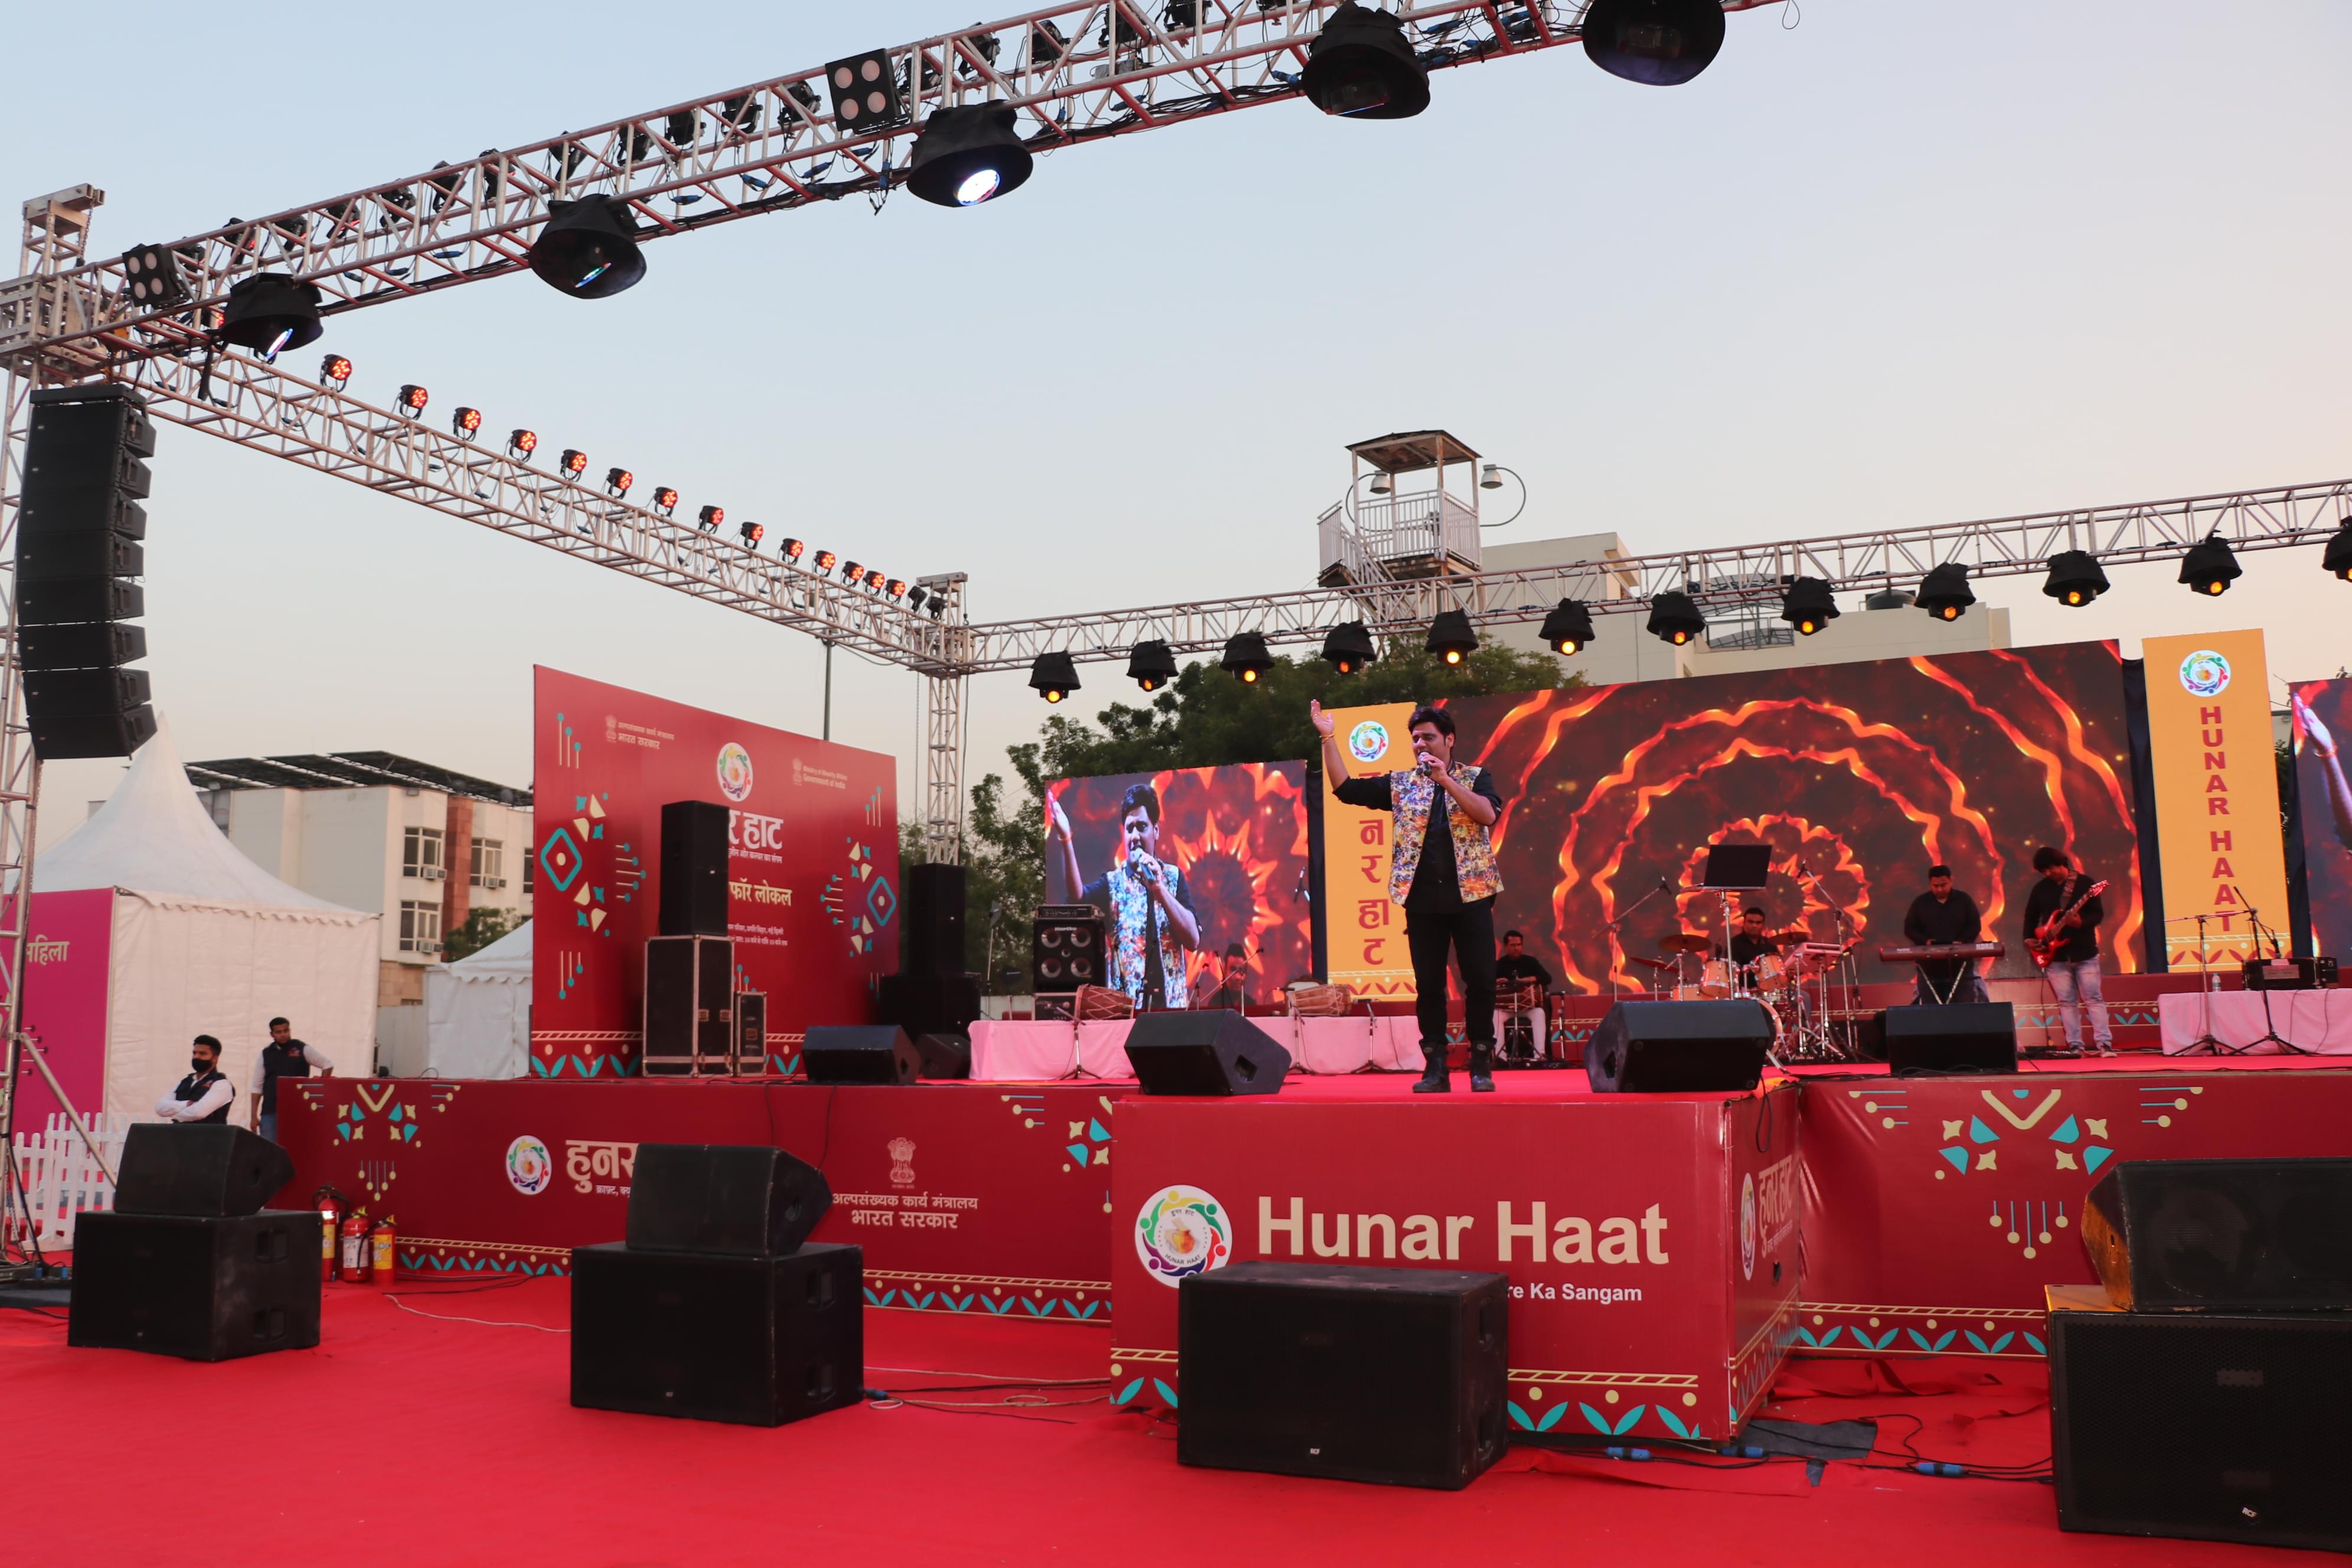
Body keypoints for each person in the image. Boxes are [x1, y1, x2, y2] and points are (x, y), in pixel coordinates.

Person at [1315, 699, 1505, 1093]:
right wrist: (1328, 738)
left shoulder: (1475, 777)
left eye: (1429, 738)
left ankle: (1480, 1063)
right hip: (1422, 901)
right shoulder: (1401, 784)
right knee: (1429, 985)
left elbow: (1487, 815)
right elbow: (1345, 789)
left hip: (1472, 895)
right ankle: (1435, 1066)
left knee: (1481, 982)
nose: (1421, 744)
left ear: (1449, 740)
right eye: (1416, 738)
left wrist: (1446, 781)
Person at [1047, 782, 1201, 1010]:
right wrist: (1066, 838)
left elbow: (1193, 940)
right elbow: (1077, 897)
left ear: (1156, 831)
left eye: (1142, 827)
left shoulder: (1173, 878)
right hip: (1128, 1012)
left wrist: (1160, 889)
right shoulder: (1113, 883)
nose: (1135, 836)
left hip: (1171, 1010)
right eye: (1130, 829)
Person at [2023, 847, 2112, 1055]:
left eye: (2050, 869)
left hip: (2084, 953)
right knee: (2066, 1002)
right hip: (2055, 957)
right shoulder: (2040, 889)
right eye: (2043, 871)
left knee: (2094, 999)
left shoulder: (2085, 883)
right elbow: (2030, 916)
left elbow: (2098, 914)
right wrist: (2029, 939)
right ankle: (2075, 1045)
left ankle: (2105, 1044)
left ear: (2061, 863)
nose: (2048, 874)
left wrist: (2081, 923)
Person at [1902, 864, 1988, 1004]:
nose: (1940, 889)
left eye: (1943, 885)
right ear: (1930, 884)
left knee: (1963, 1003)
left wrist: (1961, 941)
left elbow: (1974, 925)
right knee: (1932, 1006)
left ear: (1951, 881)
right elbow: (1909, 928)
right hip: (1929, 965)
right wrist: (1925, 941)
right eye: (1935, 886)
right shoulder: (1920, 902)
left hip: (1960, 963)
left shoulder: (1964, 900)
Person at [251, 1017, 335, 1142]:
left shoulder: (301, 1049)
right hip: (270, 1111)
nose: (283, 1034)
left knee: (296, 1146)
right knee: (269, 1149)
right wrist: (254, 1116)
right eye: (279, 1032)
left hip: (298, 1110)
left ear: (289, 1030)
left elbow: (327, 1065)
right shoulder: (265, 1054)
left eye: (286, 1031)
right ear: (272, 1034)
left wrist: (320, 1091)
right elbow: (257, 1087)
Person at [1494, 930, 1553, 1063]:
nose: (1516, 948)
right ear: (1506, 946)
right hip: (1507, 1008)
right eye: (1513, 945)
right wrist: (1496, 982)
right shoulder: (1500, 965)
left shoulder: (1531, 962)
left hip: (1527, 1007)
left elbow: (1547, 978)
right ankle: (1500, 1058)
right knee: (1495, 1015)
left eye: (1519, 945)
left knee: (1539, 1013)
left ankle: (1540, 1056)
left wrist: (1532, 978)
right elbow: (1487, 983)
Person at [154, 1035, 233, 1125]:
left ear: (215, 1059)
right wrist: (187, 1104)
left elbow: (198, 1113)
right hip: (178, 1133)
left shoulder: (222, 1084)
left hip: (208, 1133)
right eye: (194, 1053)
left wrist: (173, 1114)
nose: (196, 1057)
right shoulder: (185, 1082)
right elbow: (160, 1107)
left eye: (202, 1054)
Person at [1191, 942, 1250, 1010]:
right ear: (1225, 970)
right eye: (1233, 970)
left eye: (1242, 970)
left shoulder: (1251, 1003)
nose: (1238, 977)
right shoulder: (1215, 1003)